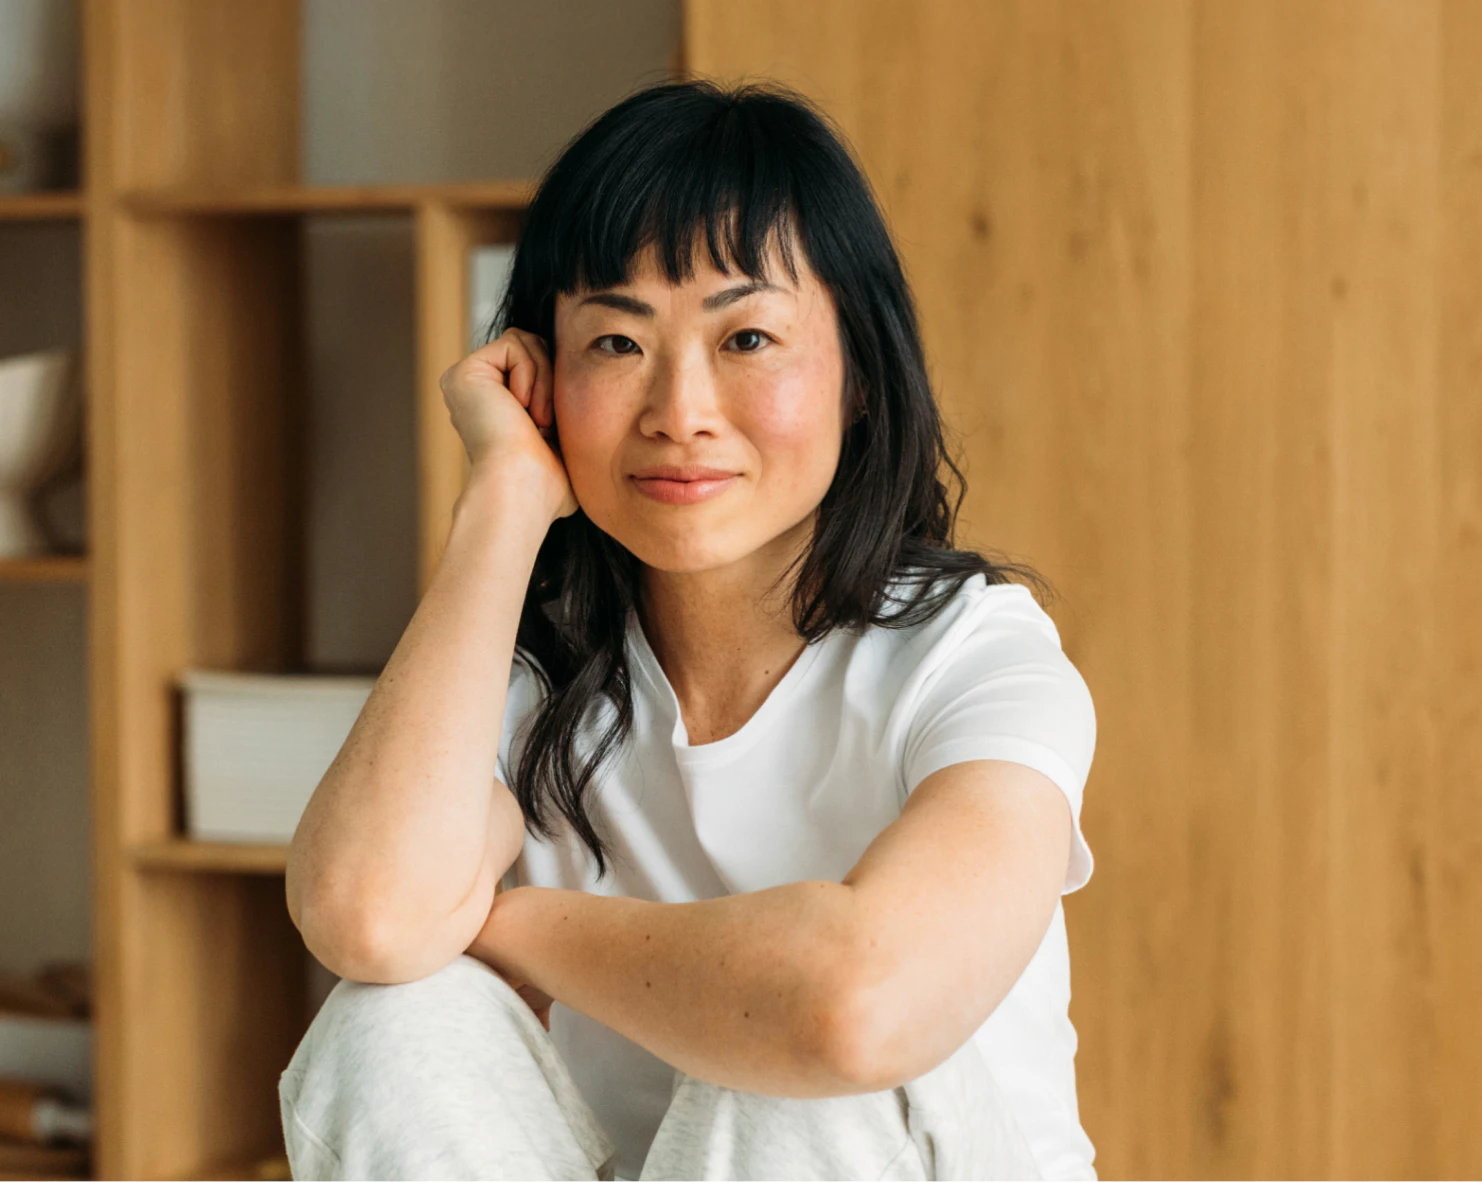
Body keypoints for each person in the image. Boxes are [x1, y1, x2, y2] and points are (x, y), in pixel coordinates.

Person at [279, 79, 1097, 1181]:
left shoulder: (973, 655)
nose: (680, 409)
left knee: (786, 1053)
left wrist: (506, 925)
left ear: (859, 375)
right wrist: (504, 503)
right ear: (541, 378)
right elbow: (367, 918)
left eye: (748, 336)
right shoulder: (544, 675)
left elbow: (857, 1005)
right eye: (615, 344)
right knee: (387, 1019)